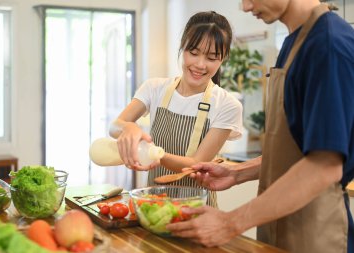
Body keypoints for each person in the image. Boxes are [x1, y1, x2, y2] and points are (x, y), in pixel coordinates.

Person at [166, 1, 354, 252]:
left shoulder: (327, 45)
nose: (245, 6)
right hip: (278, 222)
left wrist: (230, 222)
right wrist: (238, 173)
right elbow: (296, 152)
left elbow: (323, 167)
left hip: (316, 231)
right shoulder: (294, 42)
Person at [109, 11, 243, 207]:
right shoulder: (155, 88)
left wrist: (153, 154)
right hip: (154, 207)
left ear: (223, 59)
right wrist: (129, 128)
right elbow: (114, 127)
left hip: (197, 211)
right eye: (194, 53)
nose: (200, 64)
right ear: (182, 47)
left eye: (212, 58)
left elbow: (196, 163)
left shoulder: (227, 105)